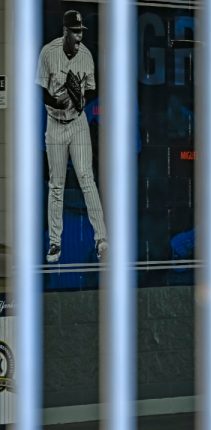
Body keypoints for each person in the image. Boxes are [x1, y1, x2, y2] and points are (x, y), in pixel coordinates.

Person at [37, 10, 108, 263]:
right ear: (66, 31)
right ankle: (55, 243)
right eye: (75, 31)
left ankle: (101, 239)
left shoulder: (86, 56)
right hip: (55, 123)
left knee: (86, 178)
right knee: (56, 184)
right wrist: (57, 100)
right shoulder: (48, 52)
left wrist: (78, 99)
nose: (79, 36)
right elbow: (41, 90)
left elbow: (89, 91)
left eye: (81, 31)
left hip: (77, 124)